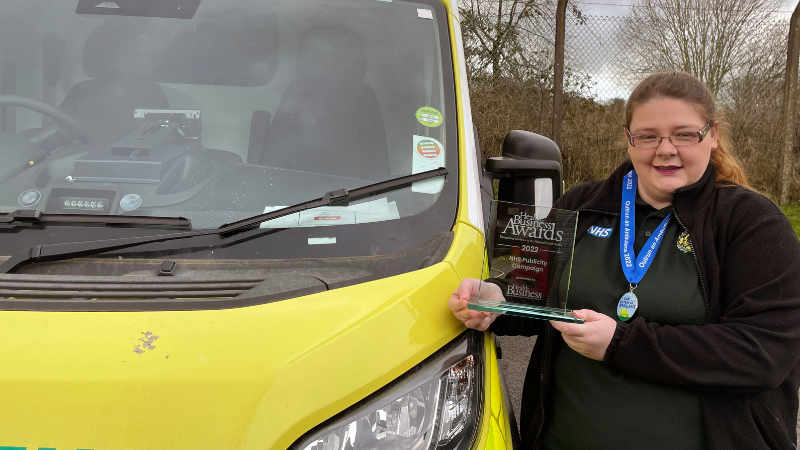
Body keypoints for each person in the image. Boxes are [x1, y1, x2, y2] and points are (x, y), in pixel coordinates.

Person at [449, 71, 800, 450]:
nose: (665, 149)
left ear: (712, 135)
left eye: (684, 134)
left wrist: (621, 344)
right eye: (648, 136)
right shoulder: (580, 205)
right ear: (629, 140)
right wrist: (497, 299)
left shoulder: (753, 222)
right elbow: (535, 293)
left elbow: (764, 353)